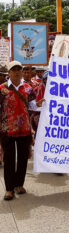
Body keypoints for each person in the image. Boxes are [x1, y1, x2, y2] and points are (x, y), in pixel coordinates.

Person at [0, 61, 44, 200]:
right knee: (9, 158)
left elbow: (32, 105)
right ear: (9, 73)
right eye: (14, 69)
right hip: (7, 129)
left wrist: (40, 104)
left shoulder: (28, 88)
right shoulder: (2, 88)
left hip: (24, 128)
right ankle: (9, 189)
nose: (17, 72)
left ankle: (19, 184)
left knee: (23, 158)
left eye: (19, 69)